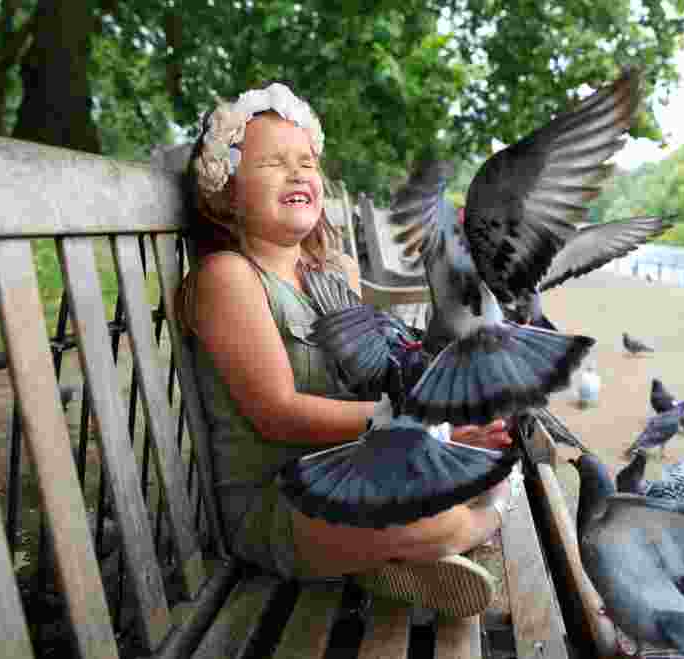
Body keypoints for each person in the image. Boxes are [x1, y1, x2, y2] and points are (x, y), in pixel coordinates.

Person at [173, 82, 513, 618]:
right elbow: (279, 416)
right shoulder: (229, 277)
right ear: (226, 192)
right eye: (272, 164)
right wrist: (423, 428)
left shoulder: (333, 276)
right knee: (445, 512)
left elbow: (369, 381)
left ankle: (380, 560)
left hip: (346, 470)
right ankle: (470, 525)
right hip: (279, 501)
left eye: (307, 162)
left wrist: (440, 425)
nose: (298, 173)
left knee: (482, 454)